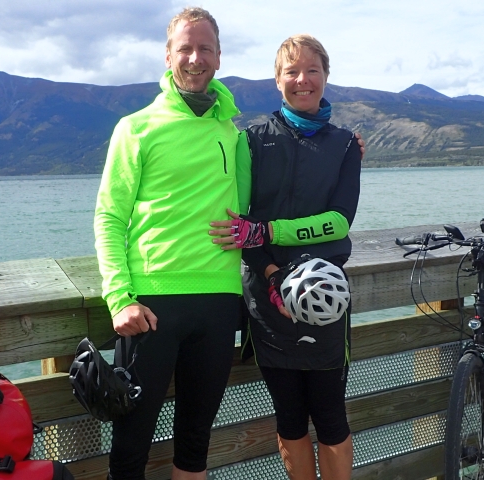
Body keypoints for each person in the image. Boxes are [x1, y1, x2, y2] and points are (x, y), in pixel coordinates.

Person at [92, 7, 243, 480]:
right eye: (186, 49)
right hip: (151, 307)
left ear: (219, 57)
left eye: (205, 49)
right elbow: (109, 217)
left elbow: (282, 178)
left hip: (220, 303)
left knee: (195, 445)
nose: (195, 59)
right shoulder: (134, 128)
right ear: (168, 56)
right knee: (131, 444)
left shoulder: (232, 133)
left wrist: (344, 150)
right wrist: (119, 298)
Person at [210, 34, 360, 480]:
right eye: (292, 71)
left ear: (325, 77)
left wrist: (270, 230)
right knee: (290, 417)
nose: (302, 80)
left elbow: (339, 221)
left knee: (332, 418)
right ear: (277, 80)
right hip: (267, 297)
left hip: (325, 297)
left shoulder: (347, 144)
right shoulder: (251, 140)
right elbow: (239, 221)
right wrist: (273, 273)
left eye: (312, 70)